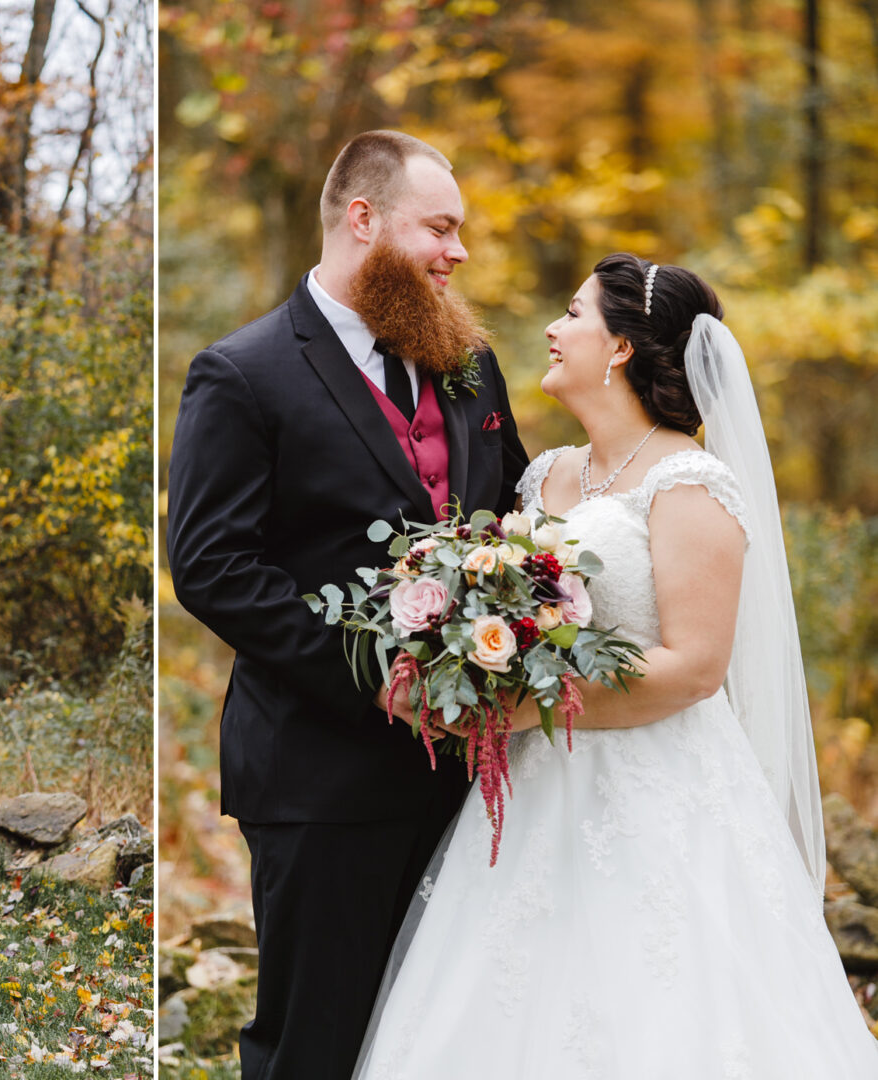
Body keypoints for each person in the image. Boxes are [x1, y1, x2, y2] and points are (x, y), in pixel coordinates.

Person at [353, 254, 878, 1078]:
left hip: (657, 793)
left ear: (622, 349)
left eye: (572, 314)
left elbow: (696, 669)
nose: (553, 332)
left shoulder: (690, 483)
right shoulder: (546, 474)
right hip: (530, 795)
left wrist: (528, 708)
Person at [165, 130, 529, 1079]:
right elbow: (210, 566)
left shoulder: (470, 365)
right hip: (320, 776)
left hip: (473, 776)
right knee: (316, 1047)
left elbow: (514, 518)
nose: (458, 252)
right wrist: (373, 680)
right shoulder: (242, 374)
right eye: (440, 229)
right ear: (362, 220)